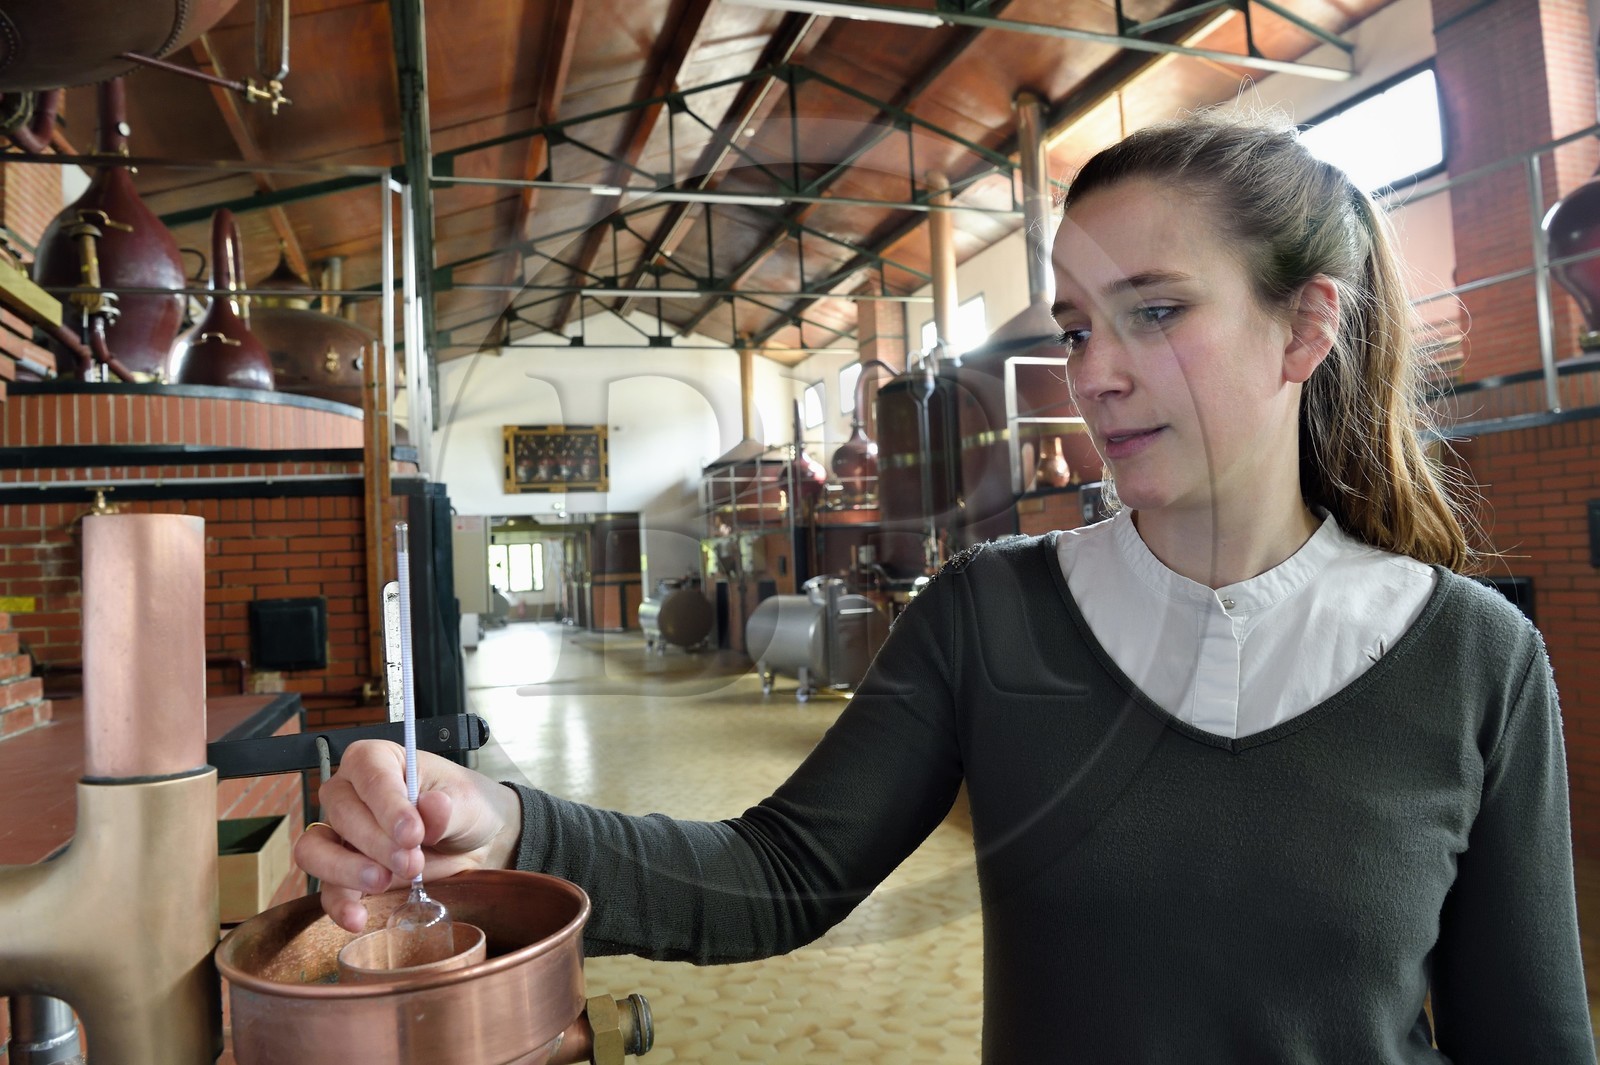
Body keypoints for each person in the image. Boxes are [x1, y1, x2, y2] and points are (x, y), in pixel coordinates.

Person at [296, 109, 1596, 1061]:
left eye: (1153, 312)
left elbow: (1528, 1036)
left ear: (1306, 327)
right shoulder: (995, 613)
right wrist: (513, 827)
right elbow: (778, 869)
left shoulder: (1470, 658)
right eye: (1077, 326)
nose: (1093, 372)